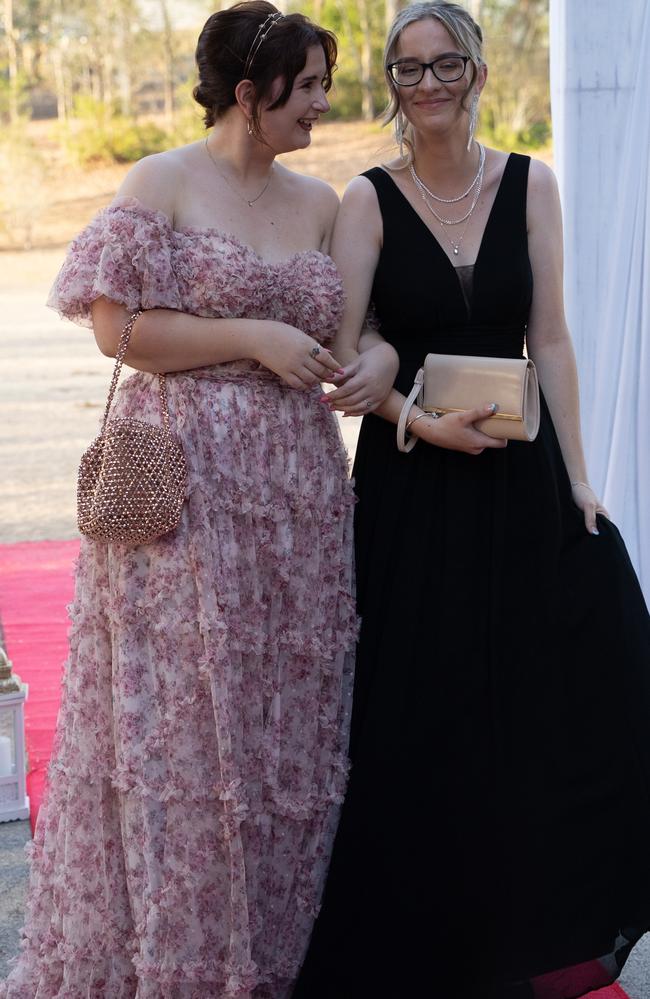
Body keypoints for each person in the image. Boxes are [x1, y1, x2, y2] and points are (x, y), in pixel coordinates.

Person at [0, 3, 371, 997]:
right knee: (180, 738)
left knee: (278, 735)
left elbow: (358, 325)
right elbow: (120, 331)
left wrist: (372, 365)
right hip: (182, 504)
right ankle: (180, 965)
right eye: (306, 89)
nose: (320, 107)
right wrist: (251, 337)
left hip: (295, 502)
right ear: (249, 94)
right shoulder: (160, 181)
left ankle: (279, 959)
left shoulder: (322, 200)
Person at [292, 3, 650, 998]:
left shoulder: (532, 183)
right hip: (409, 486)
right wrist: (408, 415)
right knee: (421, 711)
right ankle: (424, 936)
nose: (428, 83)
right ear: (391, 86)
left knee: (549, 687)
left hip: (515, 475)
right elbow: (343, 350)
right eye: (407, 70)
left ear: (476, 69)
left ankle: (528, 923)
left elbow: (555, 337)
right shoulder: (364, 201)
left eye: (444, 62)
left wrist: (580, 477)